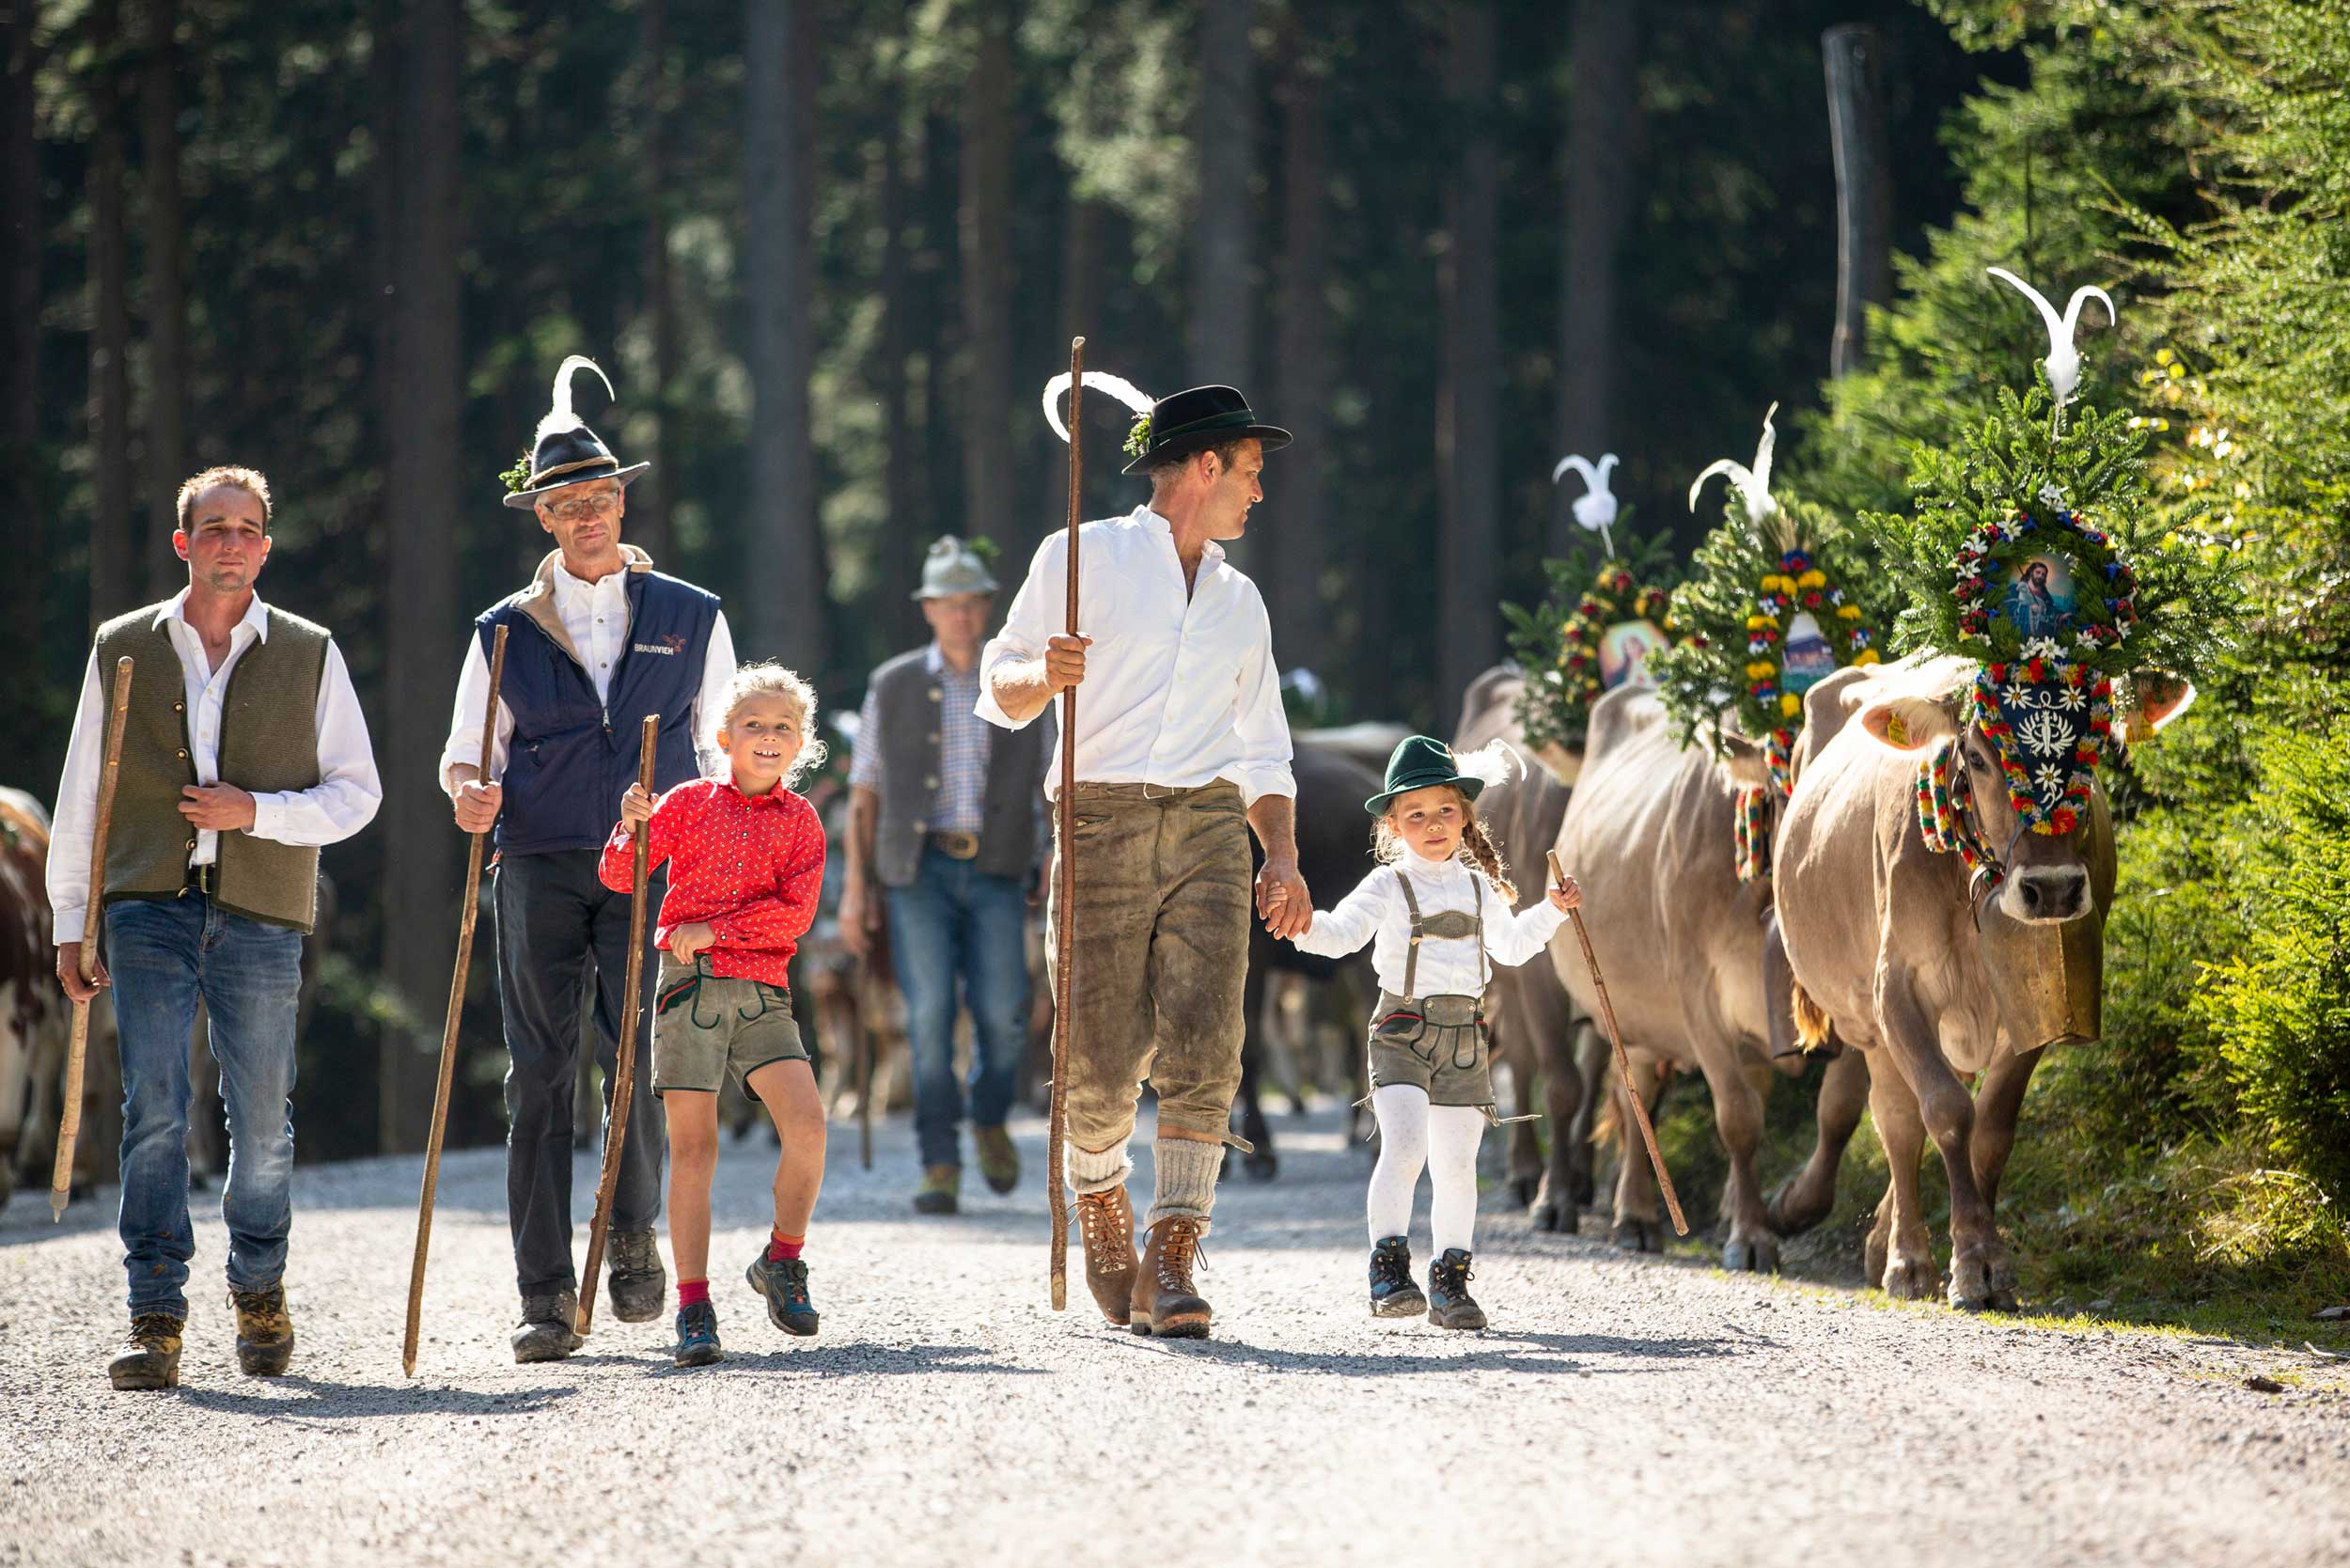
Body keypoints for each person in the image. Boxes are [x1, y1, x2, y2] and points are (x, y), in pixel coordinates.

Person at [980, 379, 1309, 1341]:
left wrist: (1280, 857)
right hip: (1098, 820)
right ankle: (1101, 1202)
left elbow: (1265, 746)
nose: (1257, 492)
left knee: (1209, 1043)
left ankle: (1172, 1252)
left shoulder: (1241, 602)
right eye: (1249, 471)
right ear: (1204, 467)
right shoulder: (1077, 559)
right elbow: (999, 683)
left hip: (1210, 823)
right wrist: (1043, 675)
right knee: (1094, 1060)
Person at [50, 465, 382, 1389]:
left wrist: (258, 813)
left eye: (247, 528)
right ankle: (154, 1314)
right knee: (155, 1111)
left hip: (261, 913)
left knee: (262, 1124)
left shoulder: (310, 651)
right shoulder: (124, 646)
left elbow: (358, 794)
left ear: (265, 546)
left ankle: (259, 1292)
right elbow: (84, 791)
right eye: (214, 526)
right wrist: (70, 924)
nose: (230, 541)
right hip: (145, 908)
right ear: (183, 541)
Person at [439, 355, 738, 1362]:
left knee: (640, 1064)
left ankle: (632, 1234)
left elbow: (727, 745)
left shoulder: (692, 615)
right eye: (567, 503)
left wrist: (715, 847)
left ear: (622, 502)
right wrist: (467, 795)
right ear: (543, 518)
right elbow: (466, 757)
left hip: (650, 867)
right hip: (536, 863)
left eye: (602, 496)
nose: (589, 516)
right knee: (539, 1078)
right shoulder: (501, 630)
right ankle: (540, 1294)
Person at [1285, 736, 1581, 1330]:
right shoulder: (1387, 886)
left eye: (1445, 810)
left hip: (1467, 1038)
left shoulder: (1478, 888)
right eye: (1415, 815)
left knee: (1457, 1163)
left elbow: (1515, 947)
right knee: (1404, 1147)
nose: (1433, 824)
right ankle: (1389, 1270)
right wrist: (1298, 924)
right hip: (1401, 1031)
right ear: (1393, 825)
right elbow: (1341, 933)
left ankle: (1451, 1282)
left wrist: (1552, 908)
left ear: (1465, 814)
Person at [605, 663, 829, 1367]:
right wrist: (629, 826)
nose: (768, 738)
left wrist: (719, 928)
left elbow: (795, 913)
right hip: (689, 992)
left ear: (802, 745)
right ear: (726, 736)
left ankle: (782, 1259)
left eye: (783, 729)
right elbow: (618, 877)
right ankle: (694, 1306)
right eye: (754, 726)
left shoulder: (803, 821)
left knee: (810, 1127)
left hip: (764, 991)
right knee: (695, 1149)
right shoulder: (687, 802)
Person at [842, 536, 1046, 1215]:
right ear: (928, 609)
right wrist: (854, 891)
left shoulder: (1017, 680)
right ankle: (938, 1160)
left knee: (1005, 1014)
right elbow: (865, 790)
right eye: (946, 604)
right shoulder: (892, 683)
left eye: (971, 603)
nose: (960, 616)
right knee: (927, 1016)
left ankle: (988, 1114)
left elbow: (1051, 782)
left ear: (987, 607)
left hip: (996, 865)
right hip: (916, 870)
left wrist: (1050, 852)